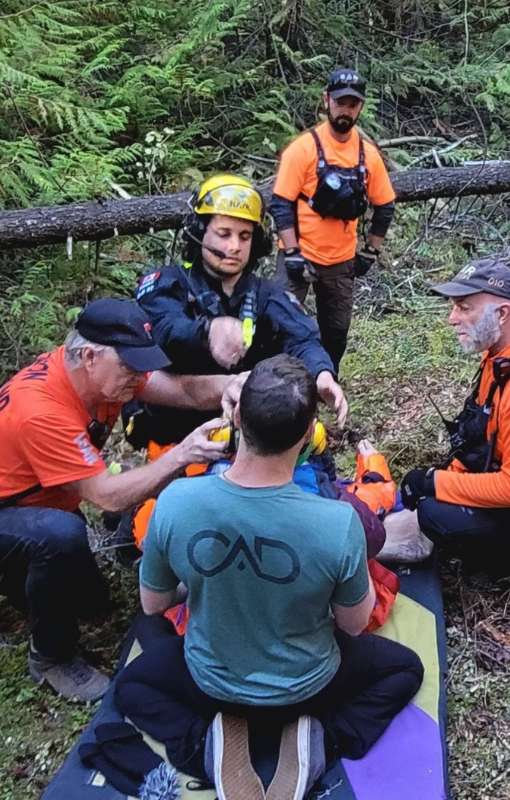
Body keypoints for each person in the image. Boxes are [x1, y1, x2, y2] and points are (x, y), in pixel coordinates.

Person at [113, 356, 424, 799]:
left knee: (133, 683)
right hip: (309, 685)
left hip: (210, 681)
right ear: (307, 437)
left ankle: (205, 744)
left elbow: (153, 604)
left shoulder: (177, 500)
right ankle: (321, 738)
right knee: (405, 670)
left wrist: (211, 574)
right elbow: (353, 624)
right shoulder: (338, 523)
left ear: (236, 416)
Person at [0, 299, 241, 701]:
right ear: (90, 356)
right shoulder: (42, 411)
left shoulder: (102, 373)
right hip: (17, 511)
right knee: (59, 536)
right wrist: (183, 454)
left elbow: (183, 389)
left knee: (91, 600)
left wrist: (241, 382)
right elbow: (107, 498)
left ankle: (28, 585)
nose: (140, 376)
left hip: (37, 502)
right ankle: (50, 657)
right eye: (131, 367)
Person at [128, 174, 348, 459]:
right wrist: (206, 332)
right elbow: (163, 329)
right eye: (224, 234)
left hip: (252, 443)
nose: (234, 247)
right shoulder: (166, 283)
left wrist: (322, 374)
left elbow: (302, 338)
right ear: (200, 231)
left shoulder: (267, 295)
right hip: (177, 442)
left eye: (244, 237)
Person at [381, 257, 510, 573]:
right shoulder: (497, 357)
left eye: (464, 308)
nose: (452, 319)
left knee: (433, 514)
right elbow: (477, 440)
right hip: (496, 478)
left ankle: (503, 566)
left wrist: (434, 483)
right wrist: (444, 475)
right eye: (454, 307)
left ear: (502, 313)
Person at [270, 68, 397, 370]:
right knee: (281, 324)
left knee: (336, 332)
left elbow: (385, 205)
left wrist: (371, 250)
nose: (345, 111)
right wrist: (291, 252)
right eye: (340, 103)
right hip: (299, 255)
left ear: (360, 107)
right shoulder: (302, 150)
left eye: (352, 105)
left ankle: (328, 379)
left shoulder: (368, 155)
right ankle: (279, 383)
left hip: (340, 261)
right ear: (326, 100)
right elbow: (281, 202)